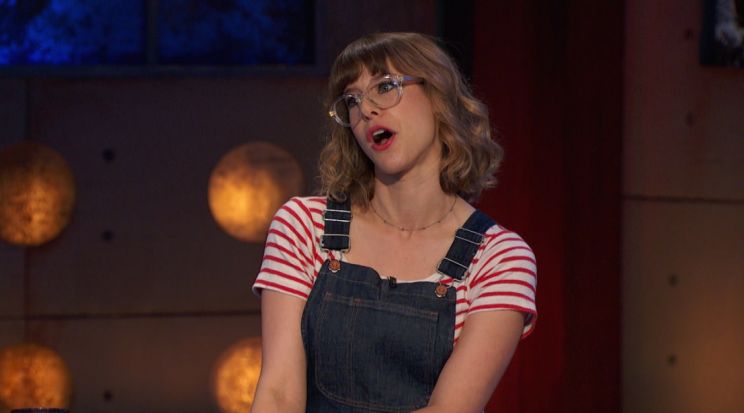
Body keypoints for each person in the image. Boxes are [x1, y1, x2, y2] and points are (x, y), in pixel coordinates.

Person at [250, 32, 537, 413]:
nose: (366, 110)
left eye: (385, 87)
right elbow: (277, 395)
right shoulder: (304, 226)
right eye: (352, 100)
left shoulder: (499, 257)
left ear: (437, 96)